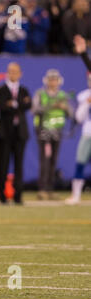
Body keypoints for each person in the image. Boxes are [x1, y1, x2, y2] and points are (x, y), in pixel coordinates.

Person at [32, 69, 73, 200]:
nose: (53, 82)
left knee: (53, 160)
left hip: (57, 131)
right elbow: (34, 110)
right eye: (51, 79)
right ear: (47, 81)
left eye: (55, 79)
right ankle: (42, 189)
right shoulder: (40, 94)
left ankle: (50, 189)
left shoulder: (63, 95)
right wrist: (51, 105)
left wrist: (65, 107)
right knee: (44, 160)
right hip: (44, 131)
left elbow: (71, 114)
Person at [0, 62, 31, 205]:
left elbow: (28, 105)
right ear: (7, 73)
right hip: (4, 133)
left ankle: (18, 196)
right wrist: (19, 104)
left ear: (20, 73)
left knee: (19, 165)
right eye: (10, 71)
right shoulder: (1, 89)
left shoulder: (24, 90)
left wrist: (13, 104)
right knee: (3, 165)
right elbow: (3, 107)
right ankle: (2, 196)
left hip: (20, 132)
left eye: (15, 71)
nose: (13, 74)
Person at [65, 73, 91, 205]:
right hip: (88, 134)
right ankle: (76, 195)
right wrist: (87, 103)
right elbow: (79, 118)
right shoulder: (84, 95)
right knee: (80, 163)